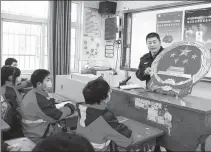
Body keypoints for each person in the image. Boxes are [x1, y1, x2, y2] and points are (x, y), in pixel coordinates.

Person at [76, 78, 133, 151]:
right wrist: (122, 128)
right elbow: (127, 140)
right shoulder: (105, 118)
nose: (110, 93)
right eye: (109, 92)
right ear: (104, 97)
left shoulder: (82, 110)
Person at [20, 69, 75, 144]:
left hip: (32, 131)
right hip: (40, 136)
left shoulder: (32, 93)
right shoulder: (39, 100)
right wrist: (69, 107)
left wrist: (52, 101)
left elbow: (43, 103)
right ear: (39, 84)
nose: (50, 82)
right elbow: (58, 115)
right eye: (48, 80)